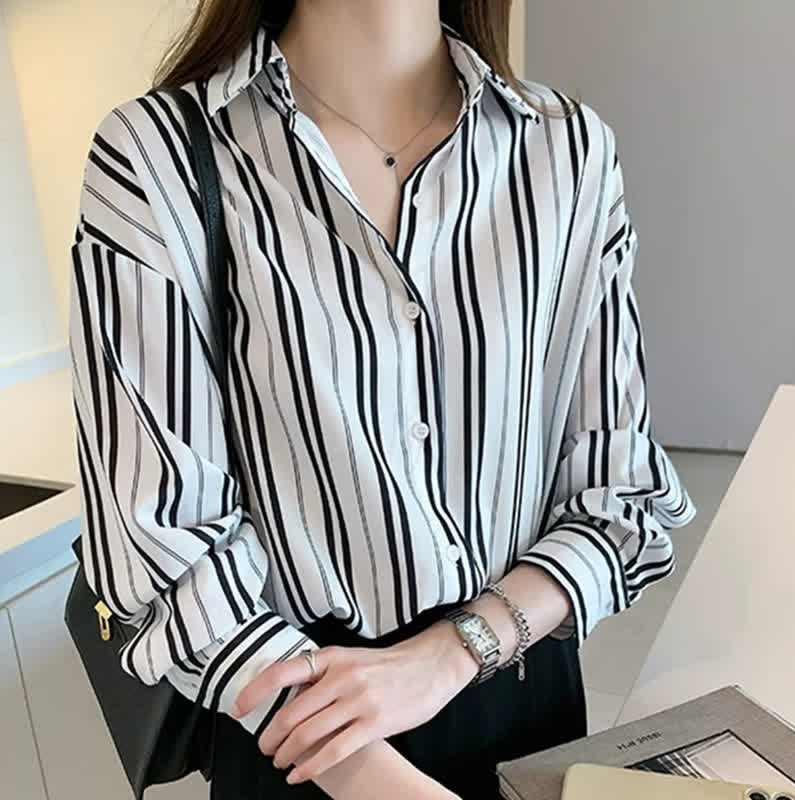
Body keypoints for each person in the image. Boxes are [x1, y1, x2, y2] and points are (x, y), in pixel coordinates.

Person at [68, 1, 696, 798]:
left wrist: (455, 651)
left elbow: (619, 497)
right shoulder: (157, 158)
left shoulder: (568, 151)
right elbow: (164, 548)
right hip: (301, 735)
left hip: (525, 696)